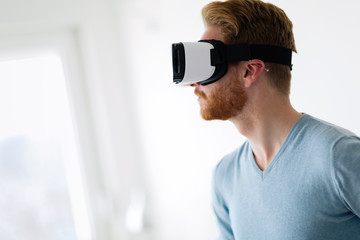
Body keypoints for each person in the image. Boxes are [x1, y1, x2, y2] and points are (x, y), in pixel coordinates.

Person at [190, 0, 360, 239]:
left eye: (209, 65)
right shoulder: (225, 177)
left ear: (250, 71)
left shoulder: (338, 157)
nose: (194, 83)